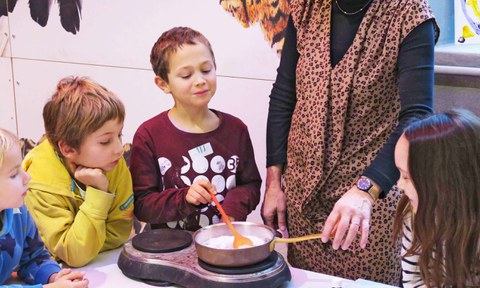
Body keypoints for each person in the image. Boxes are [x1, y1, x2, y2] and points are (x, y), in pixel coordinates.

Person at [261, 0, 439, 284]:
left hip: (369, 206)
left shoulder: (409, 13)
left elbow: (417, 115)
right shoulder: (306, 8)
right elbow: (285, 93)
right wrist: (273, 181)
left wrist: (366, 189)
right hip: (302, 197)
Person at [130, 27, 261, 231]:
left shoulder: (236, 130)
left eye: (206, 70)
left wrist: (234, 208)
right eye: (186, 75)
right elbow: (142, 204)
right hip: (170, 251)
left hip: (223, 245)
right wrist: (184, 198)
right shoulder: (149, 135)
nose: (200, 81)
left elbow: (251, 184)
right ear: (163, 83)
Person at [23, 77, 134, 267]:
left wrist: (83, 244)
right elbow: (73, 255)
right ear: (67, 149)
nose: (118, 148)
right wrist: (98, 192)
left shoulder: (111, 161)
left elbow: (119, 232)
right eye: (105, 141)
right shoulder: (39, 181)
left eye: (120, 135)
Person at [393, 109, 480, 288]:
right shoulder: (415, 215)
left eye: (407, 177)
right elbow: (413, 280)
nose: (399, 185)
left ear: (445, 182)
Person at [0, 128, 89, 287]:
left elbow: (35, 257)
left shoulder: (18, 211)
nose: (27, 177)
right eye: (14, 174)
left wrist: (53, 276)